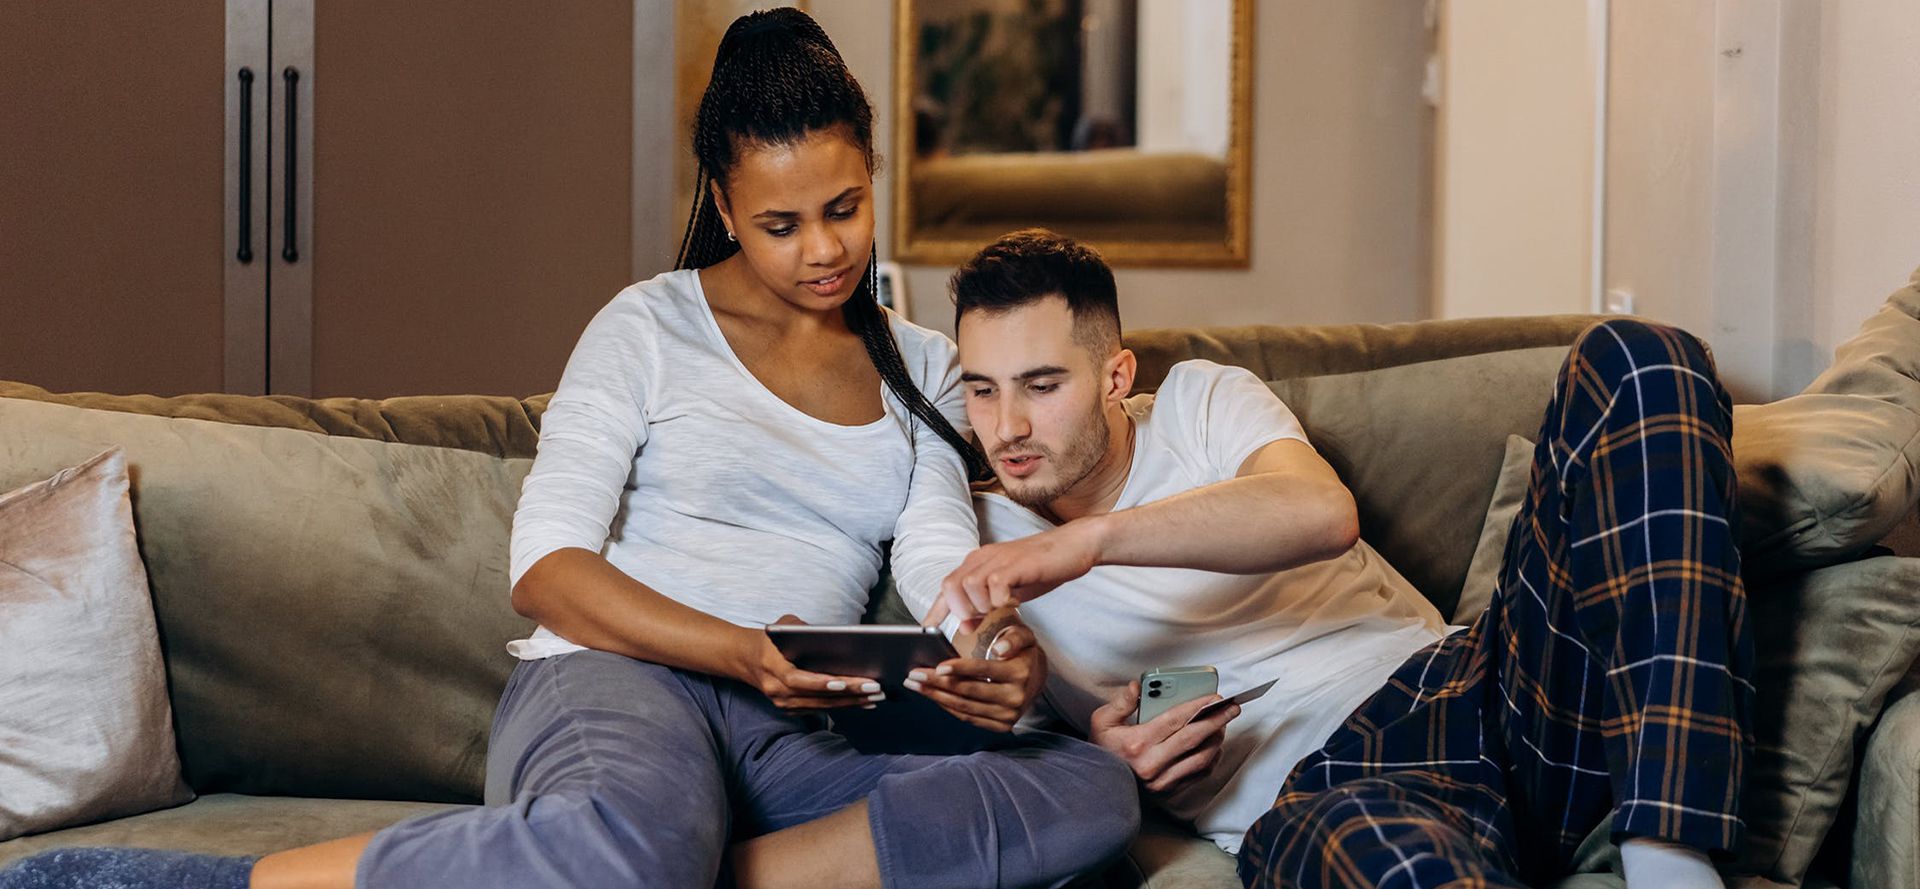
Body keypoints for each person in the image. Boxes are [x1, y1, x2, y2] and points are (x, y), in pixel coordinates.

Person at [0, 14, 1135, 889]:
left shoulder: (925, 363)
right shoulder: (647, 327)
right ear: (726, 205)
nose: (823, 249)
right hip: (615, 679)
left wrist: (987, 652)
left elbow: (949, 554)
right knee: (626, 834)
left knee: (1089, 790)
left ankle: (683, 874)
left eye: (844, 207)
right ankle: (232, 881)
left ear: (875, 169)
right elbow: (545, 566)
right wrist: (739, 649)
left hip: (805, 712)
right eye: (780, 223)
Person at [924, 229, 1750, 889]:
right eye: (984, 389)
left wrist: (1088, 541)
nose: (1008, 427)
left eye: (1040, 385)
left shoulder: (1199, 402)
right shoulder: (977, 536)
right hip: (1326, 791)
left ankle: (1669, 846)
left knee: (1639, 358)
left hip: (1478, 687)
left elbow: (1319, 511)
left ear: (1115, 376)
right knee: (1387, 861)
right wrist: (1111, 768)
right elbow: (985, 720)